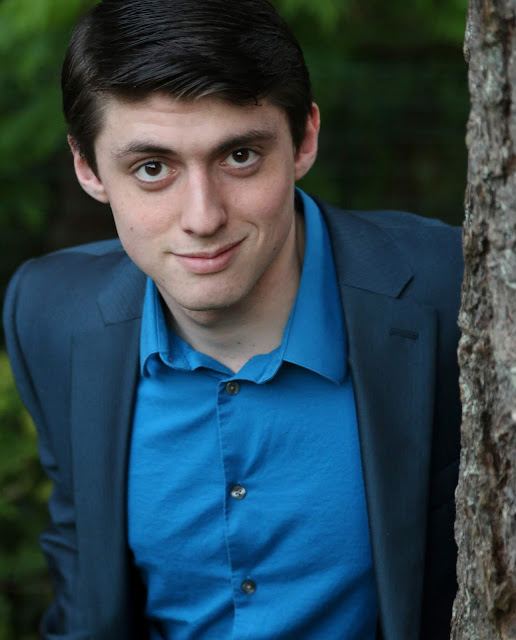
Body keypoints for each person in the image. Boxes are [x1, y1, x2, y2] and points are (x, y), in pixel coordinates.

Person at [2, 0, 463, 638]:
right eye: (152, 168)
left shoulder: (454, 290)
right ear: (88, 168)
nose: (203, 217)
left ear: (304, 140)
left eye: (240, 156)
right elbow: (86, 590)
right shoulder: (49, 314)